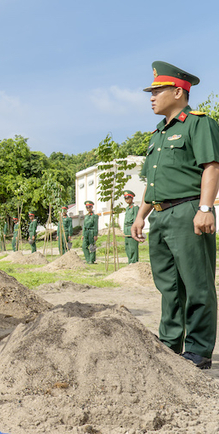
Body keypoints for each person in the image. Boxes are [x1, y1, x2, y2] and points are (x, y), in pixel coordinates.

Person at [132, 61, 219, 369]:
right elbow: (152, 182)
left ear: (179, 92)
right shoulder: (156, 135)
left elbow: (211, 166)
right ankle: (169, 343)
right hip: (160, 214)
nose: (152, 97)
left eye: (157, 91)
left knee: (197, 284)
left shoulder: (198, 124)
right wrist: (141, 215)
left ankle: (197, 350)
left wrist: (205, 209)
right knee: (168, 285)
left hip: (188, 211)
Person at [123, 190, 139, 264]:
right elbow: (125, 221)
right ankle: (130, 261)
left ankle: (134, 262)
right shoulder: (127, 208)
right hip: (126, 228)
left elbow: (136, 219)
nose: (126, 200)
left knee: (133, 247)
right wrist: (123, 231)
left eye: (128, 198)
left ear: (132, 198)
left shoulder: (135, 207)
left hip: (132, 227)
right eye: (125, 198)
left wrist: (136, 230)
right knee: (127, 247)